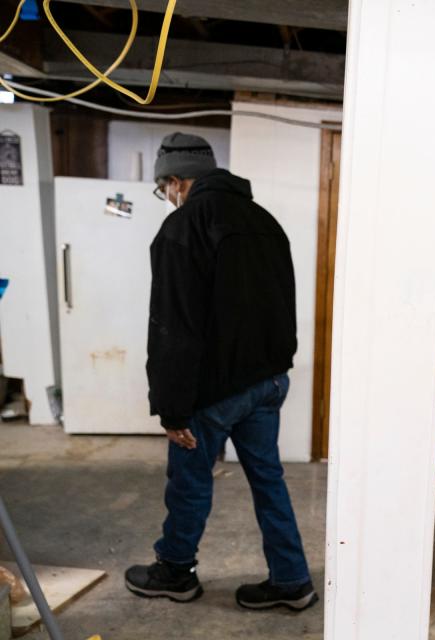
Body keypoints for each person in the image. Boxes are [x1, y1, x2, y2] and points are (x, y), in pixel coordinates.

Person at [124, 133, 317, 611]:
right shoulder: (265, 222)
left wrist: (172, 409)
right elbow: (283, 307)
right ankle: (292, 580)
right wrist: (276, 369)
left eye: (163, 189)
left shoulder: (181, 228)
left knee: (190, 481)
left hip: (213, 391)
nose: (166, 197)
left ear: (175, 182)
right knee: (268, 479)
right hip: (268, 382)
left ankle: (175, 571)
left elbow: (173, 326)